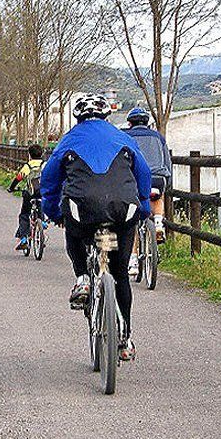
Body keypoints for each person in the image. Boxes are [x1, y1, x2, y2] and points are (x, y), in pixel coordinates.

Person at [40, 94, 151, 360]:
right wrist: (144, 206)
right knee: (120, 272)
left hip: (83, 211)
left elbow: (49, 178)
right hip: (123, 212)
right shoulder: (124, 138)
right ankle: (124, 339)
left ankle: (83, 278)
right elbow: (144, 173)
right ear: (106, 116)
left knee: (74, 235)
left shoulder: (69, 140)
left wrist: (53, 212)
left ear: (78, 117)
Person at [123, 107, 172, 276]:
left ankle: (134, 261)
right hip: (158, 178)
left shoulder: (125, 136)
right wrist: (168, 183)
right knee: (158, 195)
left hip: (134, 179)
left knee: (133, 219)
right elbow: (167, 163)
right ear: (148, 123)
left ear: (130, 123)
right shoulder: (159, 137)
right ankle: (158, 223)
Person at [7, 144, 47, 251]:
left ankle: (24, 238)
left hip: (29, 193)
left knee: (24, 214)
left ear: (29, 155)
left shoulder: (28, 166)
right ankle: (42, 222)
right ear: (42, 154)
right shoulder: (45, 165)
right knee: (41, 205)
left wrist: (11, 188)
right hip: (42, 192)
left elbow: (18, 178)